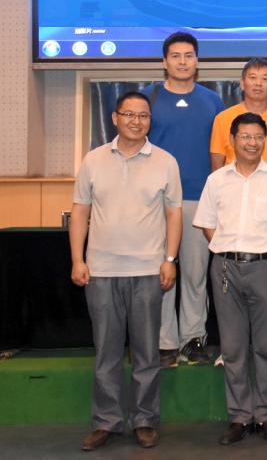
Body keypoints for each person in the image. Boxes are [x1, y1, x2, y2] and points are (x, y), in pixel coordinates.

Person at [69, 91, 182, 451]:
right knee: (107, 352)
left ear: (150, 121)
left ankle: (145, 420)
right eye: (129, 115)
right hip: (101, 271)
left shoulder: (165, 161)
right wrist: (77, 259)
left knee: (147, 353)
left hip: (148, 270)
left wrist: (170, 259)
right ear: (115, 118)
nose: (137, 121)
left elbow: (174, 214)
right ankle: (106, 421)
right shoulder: (93, 160)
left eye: (143, 116)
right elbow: (81, 211)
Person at [193, 112, 267, 445]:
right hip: (225, 268)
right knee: (233, 347)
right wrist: (229, 250)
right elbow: (208, 224)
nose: (252, 143)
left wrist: (261, 250)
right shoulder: (216, 180)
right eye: (245, 136)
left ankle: (266, 416)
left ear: (265, 140)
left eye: (258, 137)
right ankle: (239, 416)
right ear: (232, 140)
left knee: (266, 346)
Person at [143, 31, 225, 368]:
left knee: (194, 274)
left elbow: (221, 151)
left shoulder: (212, 101)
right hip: (155, 202)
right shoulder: (147, 98)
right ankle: (164, 343)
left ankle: (193, 339)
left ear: (197, 61)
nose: (182, 61)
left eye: (188, 56)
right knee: (161, 274)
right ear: (164, 61)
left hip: (197, 199)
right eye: (175, 56)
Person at [210, 57, 267, 365]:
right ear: (242, 83)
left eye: (264, 78)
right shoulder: (224, 118)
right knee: (228, 289)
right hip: (235, 210)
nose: (258, 83)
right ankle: (230, 346)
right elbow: (216, 166)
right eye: (252, 77)